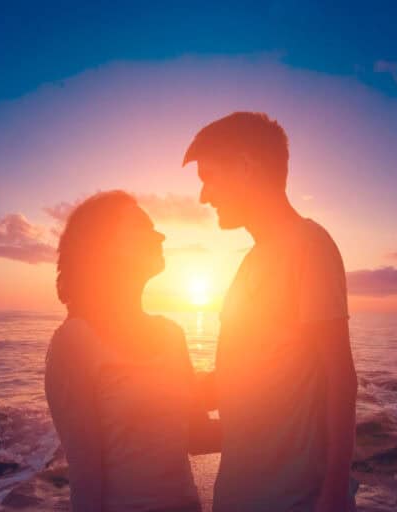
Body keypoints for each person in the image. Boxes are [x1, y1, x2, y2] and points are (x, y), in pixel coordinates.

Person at [183, 112, 358, 512]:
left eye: (209, 177)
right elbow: (249, 375)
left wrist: (333, 495)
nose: (204, 196)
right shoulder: (253, 260)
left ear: (246, 167)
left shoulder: (309, 245)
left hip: (295, 499)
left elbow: (340, 379)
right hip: (241, 495)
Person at [44, 191, 218, 512]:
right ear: (104, 246)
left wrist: (272, 405)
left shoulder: (172, 334)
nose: (160, 236)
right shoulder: (74, 342)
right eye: (142, 227)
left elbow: (197, 435)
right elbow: (86, 477)